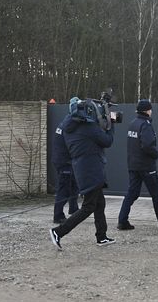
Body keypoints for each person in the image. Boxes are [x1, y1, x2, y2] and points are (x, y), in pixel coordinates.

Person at [50, 97, 116, 249]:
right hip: (91, 169)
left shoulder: (69, 127)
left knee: (99, 203)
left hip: (83, 168)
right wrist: (110, 124)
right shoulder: (88, 127)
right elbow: (107, 141)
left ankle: (102, 236)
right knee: (88, 206)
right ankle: (58, 232)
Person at [117, 100, 158, 230]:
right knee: (156, 194)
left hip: (133, 165)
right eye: (150, 109)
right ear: (147, 110)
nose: (151, 111)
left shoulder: (133, 124)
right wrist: (156, 154)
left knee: (131, 193)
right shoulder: (146, 125)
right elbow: (147, 145)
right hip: (146, 166)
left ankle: (122, 220)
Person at [51, 113, 80, 224]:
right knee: (64, 189)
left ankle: (74, 209)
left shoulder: (65, 122)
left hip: (62, 160)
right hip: (64, 162)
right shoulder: (69, 126)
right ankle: (58, 215)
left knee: (73, 185)